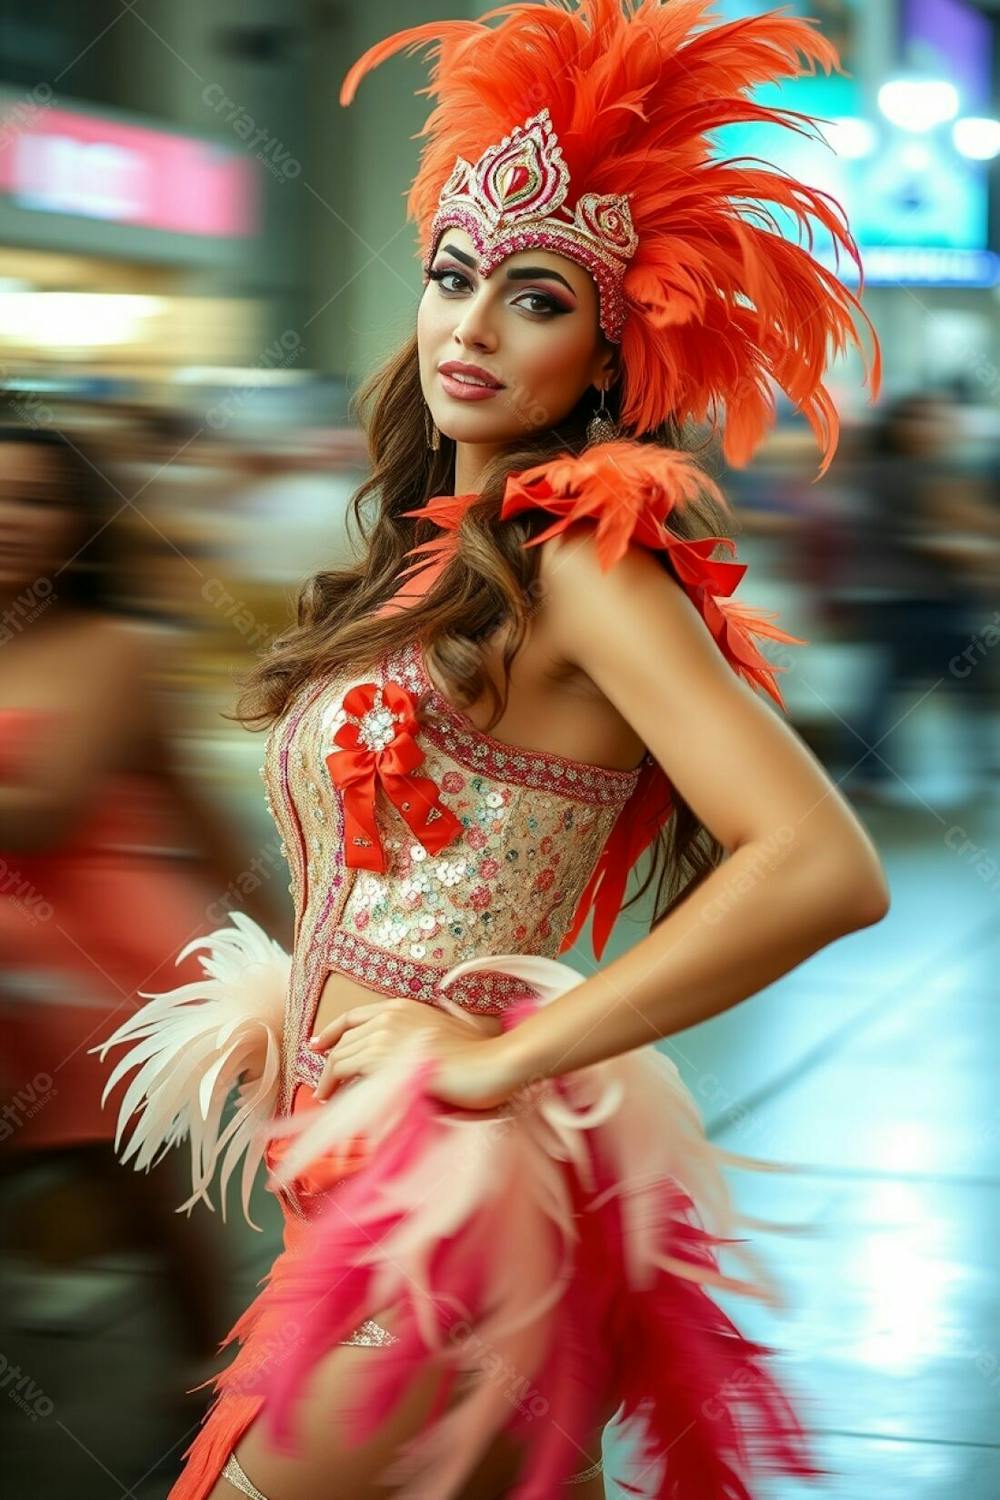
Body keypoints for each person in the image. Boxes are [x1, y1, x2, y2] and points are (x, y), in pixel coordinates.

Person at [90, 2, 888, 1496]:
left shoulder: (586, 565)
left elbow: (822, 867)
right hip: (354, 1164)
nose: (470, 324)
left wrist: (503, 1061)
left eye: (532, 296)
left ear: (607, 345)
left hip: (445, 1185)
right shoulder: (445, 563)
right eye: (453, 277)